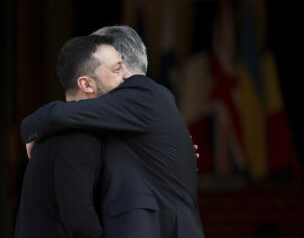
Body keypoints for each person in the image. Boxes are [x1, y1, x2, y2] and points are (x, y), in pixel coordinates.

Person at [21, 26, 205, 238]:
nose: (124, 75)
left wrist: (30, 127)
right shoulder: (128, 117)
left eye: (119, 67)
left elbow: (61, 115)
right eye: (116, 69)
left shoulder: (139, 92)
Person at [14, 35, 126, 238]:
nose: (126, 76)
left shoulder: (64, 131)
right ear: (87, 84)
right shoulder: (76, 138)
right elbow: (80, 223)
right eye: (117, 69)